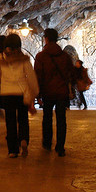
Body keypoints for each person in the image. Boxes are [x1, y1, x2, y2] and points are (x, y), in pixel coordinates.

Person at [0, 34, 39, 158]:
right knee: (23, 119)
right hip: (21, 94)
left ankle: (12, 150)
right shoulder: (24, 59)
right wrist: (35, 92)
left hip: (7, 94)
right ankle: (24, 139)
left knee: (10, 121)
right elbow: (31, 77)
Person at [34, 28, 74, 156]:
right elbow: (70, 74)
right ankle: (60, 147)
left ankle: (47, 143)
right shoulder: (65, 56)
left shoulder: (41, 56)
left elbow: (38, 76)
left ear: (46, 38)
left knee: (47, 118)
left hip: (47, 92)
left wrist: (38, 94)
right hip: (62, 92)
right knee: (61, 119)